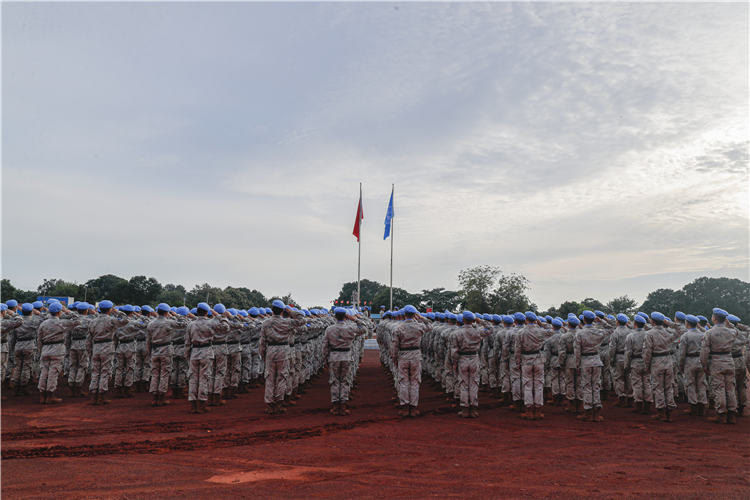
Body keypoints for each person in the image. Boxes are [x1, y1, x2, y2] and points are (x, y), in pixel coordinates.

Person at [259, 299, 305, 415]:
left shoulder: (266, 323)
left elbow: (262, 341)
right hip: (284, 350)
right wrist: (291, 311)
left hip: (270, 350)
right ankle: (279, 404)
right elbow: (302, 320)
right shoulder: (287, 322)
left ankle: (270, 405)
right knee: (282, 377)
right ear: (282, 310)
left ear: (272, 309)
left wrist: (263, 354)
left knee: (269, 378)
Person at [322, 307, 367, 415]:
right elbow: (364, 328)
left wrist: (325, 359)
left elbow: (325, 346)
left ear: (335, 316)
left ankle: (335, 405)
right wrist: (354, 319)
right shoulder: (350, 328)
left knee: (334, 381)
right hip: (346, 356)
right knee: (345, 381)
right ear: (346, 316)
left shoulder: (329, 329)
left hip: (334, 356)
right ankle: (343, 405)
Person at [87, 300, 129, 405]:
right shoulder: (111, 320)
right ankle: (102, 396)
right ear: (110, 309)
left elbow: (88, 339)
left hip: (96, 347)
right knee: (105, 372)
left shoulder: (93, 321)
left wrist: (89, 351)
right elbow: (125, 321)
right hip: (107, 347)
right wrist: (117, 312)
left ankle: (93, 397)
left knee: (95, 372)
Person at [36, 302, 79, 403]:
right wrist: (67, 311)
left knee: (44, 372)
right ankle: (51, 395)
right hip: (57, 349)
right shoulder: (61, 322)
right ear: (59, 312)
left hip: (45, 349)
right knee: (53, 372)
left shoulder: (43, 323)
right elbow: (78, 320)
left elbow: (39, 339)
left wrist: (40, 350)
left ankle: (42, 396)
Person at [700, 308, 737, 424]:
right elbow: (737, 331)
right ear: (725, 319)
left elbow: (705, 351)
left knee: (719, 388)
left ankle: (721, 414)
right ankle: (732, 414)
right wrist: (729, 324)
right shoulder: (731, 332)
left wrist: (704, 364)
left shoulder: (709, 333)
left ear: (714, 318)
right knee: (730, 388)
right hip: (729, 360)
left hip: (716, 362)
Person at [391, 305, 429, 417]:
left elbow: (394, 346)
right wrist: (421, 317)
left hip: (403, 355)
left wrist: (394, 358)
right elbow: (430, 326)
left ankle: (404, 407)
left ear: (404, 314)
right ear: (415, 314)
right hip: (416, 355)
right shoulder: (419, 326)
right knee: (414, 382)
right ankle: (413, 408)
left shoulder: (398, 328)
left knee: (403, 382)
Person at [453, 311, 493, 418]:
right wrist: (480, 321)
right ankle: (474, 409)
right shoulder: (478, 331)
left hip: (462, 358)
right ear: (473, 320)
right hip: (474, 357)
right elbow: (490, 329)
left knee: (464, 384)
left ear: (463, 320)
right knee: (474, 384)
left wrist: (455, 363)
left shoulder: (457, 333)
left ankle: (465, 409)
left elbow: (454, 351)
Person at [514, 311, 550, 420]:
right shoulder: (541, 331)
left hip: (526, 359)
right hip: (538, 359)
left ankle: (529, 411)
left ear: (526, 320)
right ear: (535, 320)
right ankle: (538, 411)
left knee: (528, 385)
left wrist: (518, 361)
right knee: (539, 385)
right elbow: (553, 330)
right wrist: (541, 323)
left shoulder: (520, 332)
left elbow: (517, 349)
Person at [643, 311, 677, 422]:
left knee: (658, 388)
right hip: (668, 360)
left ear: (652, 321)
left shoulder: (649, 333)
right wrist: (670, 323)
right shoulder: (669, 331)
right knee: (668, 387)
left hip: (656, 361)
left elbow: (647, 352)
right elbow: (682, 330)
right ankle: (670, 412)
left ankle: (661, 413)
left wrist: (647, 365)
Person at [574, 310, 605, 422]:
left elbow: (577, 351)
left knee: (587, 387)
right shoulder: (599, 332)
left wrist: (577, 365)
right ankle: (596, 413)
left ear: (583, 320)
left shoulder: (580, 333)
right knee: (596, 386)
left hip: (585, 361)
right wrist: (601, 321)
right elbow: (611, 329)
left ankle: (588, 412)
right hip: (596, 360)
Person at [146, 303, 177, 406]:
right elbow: (184, 324)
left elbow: (148, 341)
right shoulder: (169, 323)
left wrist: (149, 352)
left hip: (155, 350)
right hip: (166, 350)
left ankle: (154, 398)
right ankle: (162, 397)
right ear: (166, 312)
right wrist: (175, 315)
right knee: (164, 374)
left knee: (155, 374)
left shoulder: (150, 324)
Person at [9, 303, 43, 396]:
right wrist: (38, 313)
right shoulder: (34, 321)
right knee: (26, 367)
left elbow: (13, 337)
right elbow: (45, 318)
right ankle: (24, 386)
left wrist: (12, 348)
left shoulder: (18, 321)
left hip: (18, 345)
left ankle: (16, 387)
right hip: (29, 345)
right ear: (31, 311)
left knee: (18, 367)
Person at [677, 314, 708, 416]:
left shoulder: (685, 336)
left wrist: (680, 365)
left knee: (691, 384)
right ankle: (702, 407)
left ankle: (693, 407)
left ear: (687, 323)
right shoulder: (703, 334)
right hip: (700, 360)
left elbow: (682, 353)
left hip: (689, 361)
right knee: (701, 384)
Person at [608, 314, 633, 407]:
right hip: (629, 356)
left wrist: (611, 359)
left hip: (618, 356)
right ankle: (630, 398)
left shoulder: (615, 332)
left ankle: (621, 398)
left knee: (619, 378)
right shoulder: (630, 331)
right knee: (629, 378)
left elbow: (612, 348)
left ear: (617, 322)